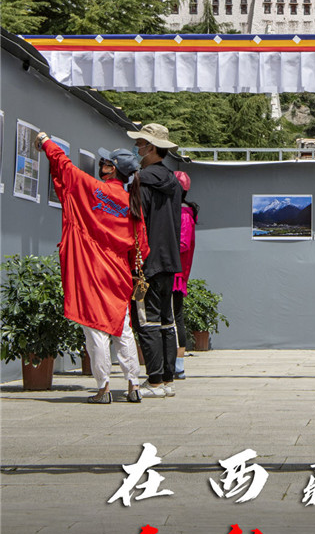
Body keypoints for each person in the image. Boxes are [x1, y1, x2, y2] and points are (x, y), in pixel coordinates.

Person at [35, 134, 149, 404]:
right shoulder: (132, 203)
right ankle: (133, 385)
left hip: (92, 268)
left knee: (95, 328)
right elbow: (142, 246)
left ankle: (103, 387)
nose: (101, 164)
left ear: (112, 169)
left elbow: (64, 167)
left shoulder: (94, 189)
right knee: (123, 328)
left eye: (105, 162)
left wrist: (46, 141)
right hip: (119, 273)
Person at [127, 123, 182, 398]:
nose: (137, 147)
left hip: (145, 262)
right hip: (169, 260)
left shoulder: (141, 179)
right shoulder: (174, 181)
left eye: (140, 143)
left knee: (145, 319)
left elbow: (137, 221)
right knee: (167, 319)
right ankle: (168, 380)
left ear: (151, 147)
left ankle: (155, 381)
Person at [172, 171, 198, 380]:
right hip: (173, 272)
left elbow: (183, 244)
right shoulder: (180, 213)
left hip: (175, 275)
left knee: (174, 318)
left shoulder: (183, 215)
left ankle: (178, 365)